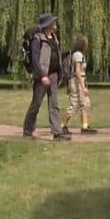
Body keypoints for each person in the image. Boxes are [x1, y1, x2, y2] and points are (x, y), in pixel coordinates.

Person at [23, 13, 71, 141]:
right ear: (47, 25)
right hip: (42, 76)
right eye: (53, 22)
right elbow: (35, 60)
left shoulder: (54, 38)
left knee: (54, 105)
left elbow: (57, 56)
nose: (55, 24)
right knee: (36, 104)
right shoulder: (37, 39)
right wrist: (43, 75)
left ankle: (57, 133)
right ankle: (28, 130)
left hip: (54, 75)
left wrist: (60, 74)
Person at [63, 35, 97, 135]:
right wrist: (83, 86)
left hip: (79, 79)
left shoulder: (78, 54)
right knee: (75, 104)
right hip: (77, 81)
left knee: (84, 103)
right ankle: (62, 126)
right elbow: (77, 71)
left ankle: (85, 126)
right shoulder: (78, 55)